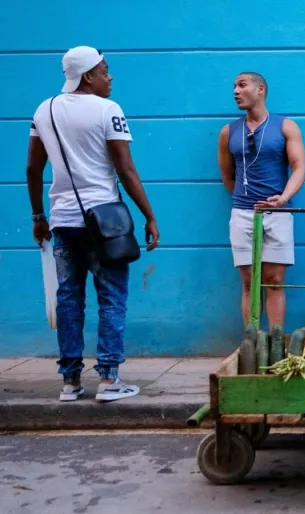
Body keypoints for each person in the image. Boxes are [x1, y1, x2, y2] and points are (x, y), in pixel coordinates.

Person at [25, 46, 160, 402]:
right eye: (104, 70)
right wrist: (148, 214)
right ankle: (109, 379)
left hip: (64, 220)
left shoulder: (44, 109)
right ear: (88, 76)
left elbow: (32, 169)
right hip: (105, 221)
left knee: (69, 298)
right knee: (111, 297)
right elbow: (125, 169)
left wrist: (39, 216)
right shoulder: (108, 110)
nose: (109, 76)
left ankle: (70, 382)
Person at [217, 72, 305, 329]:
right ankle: (253, 343)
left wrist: (283, 198)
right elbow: (227, 178)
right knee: (248, 282)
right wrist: (247, 199)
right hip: (243, 214)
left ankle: (275, 344)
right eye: (234, 86)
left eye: (242, 85)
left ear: (260, 90)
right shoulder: (228, 132)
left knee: (274, 279)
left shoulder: (285, 126)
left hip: (277, 214)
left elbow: (299, 167)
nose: (235, 90)